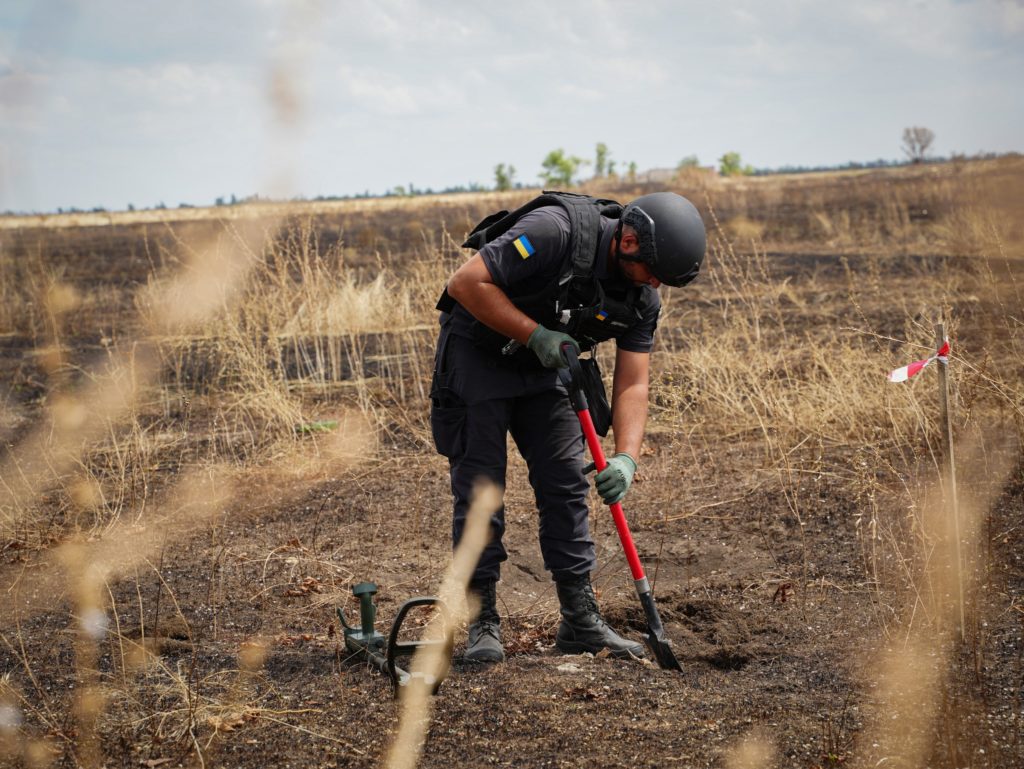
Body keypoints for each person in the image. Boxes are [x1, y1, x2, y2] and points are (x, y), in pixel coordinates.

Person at [430, 191, 706, 663]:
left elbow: (634, 383)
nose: (656, 284)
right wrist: (534, 334)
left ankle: (580, 620)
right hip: (479, 355)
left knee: (565, 486)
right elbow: (466, 283)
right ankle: (483, 621)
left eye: (664, 280)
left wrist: (626, 457)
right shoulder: (553, 231)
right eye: (654, 271)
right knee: (481, 489)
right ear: (629, 241)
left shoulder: (643, 298)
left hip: (549, 367)